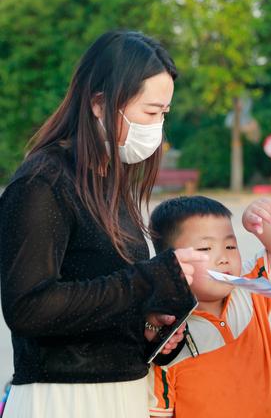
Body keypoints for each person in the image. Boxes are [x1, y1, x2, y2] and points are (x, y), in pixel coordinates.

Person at [0, 30, 208, 418]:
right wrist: (150, 280)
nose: (158, 127)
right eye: (150, 112)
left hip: (123, 394)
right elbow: (28, 308)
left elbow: (103, 297)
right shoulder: (42, 182)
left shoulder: (111, 182)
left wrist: (150, 327)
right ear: (99, 103)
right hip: (64, 400)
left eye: (164, 113)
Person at [147, 195, 271, 418]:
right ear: (171, 264)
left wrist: (260, 224)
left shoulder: (250, 292)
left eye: (230, 245)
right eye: (205, 249)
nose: (224, 258)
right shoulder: (167, 341)